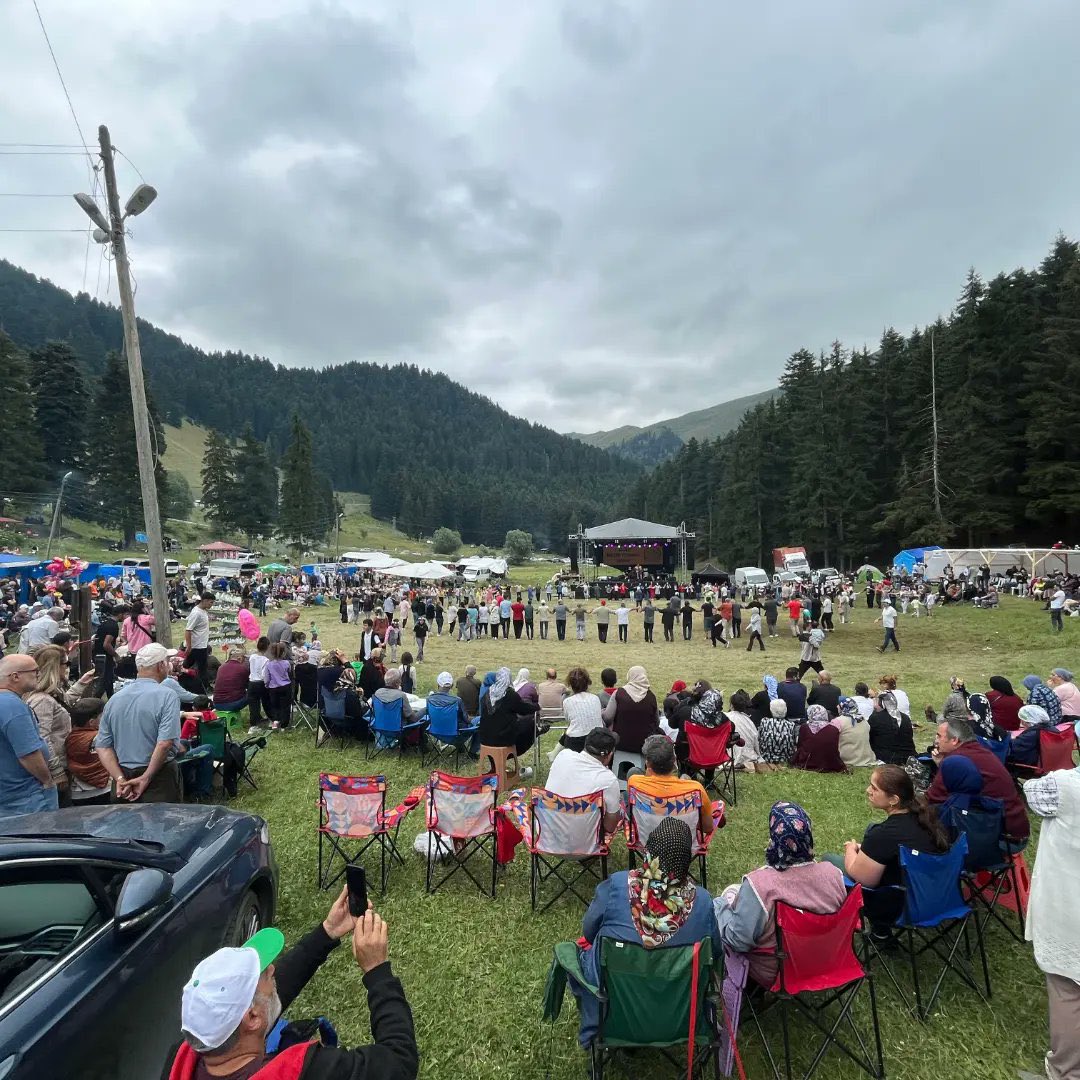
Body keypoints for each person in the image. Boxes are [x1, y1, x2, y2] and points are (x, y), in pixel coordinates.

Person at [170, 887, 417, 1080]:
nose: (273, 969)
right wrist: (377, 971)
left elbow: (266, 1001)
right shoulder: (309, 1072)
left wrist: (327, 931)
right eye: (266, 975)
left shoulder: (196, 1056)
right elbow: (399, 1061)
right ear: (252, 1018)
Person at [568, 818, 721, 1047]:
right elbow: (716, 957)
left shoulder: (617, 885)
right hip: (680, 1019)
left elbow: (589, 933)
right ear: (687, 860)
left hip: (614, 1017)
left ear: (648, 853)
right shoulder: (703, 903)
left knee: (583, 955)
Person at [714, 802, 847, 987]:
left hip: (777, 970)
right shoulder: (834, 875)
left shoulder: (760, 886)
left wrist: (720, 907)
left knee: (726, 897)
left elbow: (738, 941)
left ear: (775, 837)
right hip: (825, 960)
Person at [828, 765, 949, 940]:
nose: (868, 790)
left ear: (893, 799)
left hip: (898, 906)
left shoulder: (883, 835)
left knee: (830, 860)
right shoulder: (927, 821)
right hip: (935, 896)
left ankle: (877, 931)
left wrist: (851, 849)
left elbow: (864, 879)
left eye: (874, 788)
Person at [1023, 766, 1080, 1079]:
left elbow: (1031, 791)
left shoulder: (1064, 786)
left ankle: (1067, 1070)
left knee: (1068, 989)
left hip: (1070, 905)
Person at [95, 643, 185, 803]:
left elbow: (103, 746)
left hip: (122, 774)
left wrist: (119, 779)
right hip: (158, 775)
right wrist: (146, 777)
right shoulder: (167, 695)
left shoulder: (115, 699)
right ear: (160, 665)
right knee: (162, 825)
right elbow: (165, 743)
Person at [926, 717, 1030, 843]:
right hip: (1015, 824)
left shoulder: (956, 759)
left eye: (939, 736)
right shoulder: (979, 751)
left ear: (954, 740)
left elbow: (933, 798)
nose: (936, 741)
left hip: (1001, 835)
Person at [25, 643, 94, 803]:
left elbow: (63, 703)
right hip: (54, 767)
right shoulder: (42, 700)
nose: (68, 667)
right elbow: (42, 738)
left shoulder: (52, 693)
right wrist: (56, 771)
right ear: (55, 667)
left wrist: (81, 684)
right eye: (66, 664)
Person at [0, 653, 58, 815]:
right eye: (34, 671)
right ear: (15, 676)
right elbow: (28, 754)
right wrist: (47, 780)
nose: (38, 675)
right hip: (23, 798)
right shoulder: (13, 706)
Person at [629, 735, 716, 838]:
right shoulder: (695, 789)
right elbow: (708, 827)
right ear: (674, 761)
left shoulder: (634, 782)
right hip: (685, 847)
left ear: (647, 763)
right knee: (685, 777)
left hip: (645, 845)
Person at [545, 727, 622, 834]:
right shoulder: (609, 780)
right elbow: (610, 827)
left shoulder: (563, 755)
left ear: (585, 745)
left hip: (547, 836)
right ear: (609, 755)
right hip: (585, 844)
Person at [478, 666, 539, 765]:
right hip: (503, 739)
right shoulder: (510, 694)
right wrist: (537, 707)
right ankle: (538, 731)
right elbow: (523, 709)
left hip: (484, 737)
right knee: (529, 723)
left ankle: (495, 767)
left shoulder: (487, 693)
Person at [601, 666, 660, 754]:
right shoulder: (651, 697)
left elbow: (607, 718)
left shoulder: (618, 693)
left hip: (621, 744)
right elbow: (656, 722)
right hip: (644, 745)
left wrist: (602, 712)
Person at [64, 697, 111, 804]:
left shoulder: (70, 737)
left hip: (77, 792)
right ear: (92, 722)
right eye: (103, 716)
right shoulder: (100, 738)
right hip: (102, 790)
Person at [560, 666, 605, 752]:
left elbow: (567, 719)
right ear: (587, 683)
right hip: (596, 739)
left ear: (571, 684)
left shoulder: (567, 701)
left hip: (576, 741)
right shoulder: (595, 698)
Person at [866, 690, 916, 765]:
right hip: (908, 755)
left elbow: (869, 738)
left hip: (885, 756)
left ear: (881, 703)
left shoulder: (875, 717)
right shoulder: (905, 718)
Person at [792, 704, 846, 773]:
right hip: (829, 763)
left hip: (808, 762)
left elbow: (800, 745)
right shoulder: (834, 729)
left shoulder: (805, 727)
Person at [726, 689, 765, 772]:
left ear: (732, 705)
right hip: (748, 755)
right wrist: (758, 754)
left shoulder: (726, 717)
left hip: (731, 754)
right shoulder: (749, 721)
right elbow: (755, 740)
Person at [91, 602, 124, 698]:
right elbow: (106, 644)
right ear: (120, 614)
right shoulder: (113, 626)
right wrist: (116, 655)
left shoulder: (105, 623)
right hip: (105, 656)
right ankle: (96, 699)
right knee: (105, 680)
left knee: (107, 681)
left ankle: (109, 699)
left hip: (98, 654)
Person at [183, 593, 215, 682]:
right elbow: (188, 630)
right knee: (202, 669)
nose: (211, 605)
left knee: (188, 665)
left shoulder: (203, 610)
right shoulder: (196, 613)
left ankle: (182, 678)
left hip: (202, 644)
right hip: (197, 646)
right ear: (204, 600)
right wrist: (189, 646)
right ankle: (204, 687)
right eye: (211, 603)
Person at [214, 645, 251, 713]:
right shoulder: (242, 668)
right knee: (254, 692)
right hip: (233, 703)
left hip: (217, 704)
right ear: (239, 658)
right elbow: (249, 685)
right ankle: (255, 719)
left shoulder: (221, 667)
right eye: (244, 658)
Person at [265, 642, 293, 730]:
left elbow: (266, 677)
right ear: (284, 653)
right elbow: (289, 672)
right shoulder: (287, 663)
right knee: (285, 706)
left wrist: (267, 684)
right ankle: (284, 725)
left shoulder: (269, 664)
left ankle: (275, 721)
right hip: (285, 686)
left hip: (273, 688)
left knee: (274, 705)